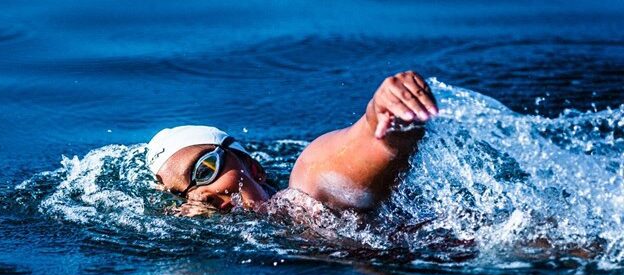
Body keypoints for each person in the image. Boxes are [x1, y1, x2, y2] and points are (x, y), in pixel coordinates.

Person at [145, 71, 438, 212]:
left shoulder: (306, 191)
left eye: (205, 169)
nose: (201, 194)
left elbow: (368, 145)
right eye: (181, 195)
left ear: (252, 166)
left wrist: (387, 116)